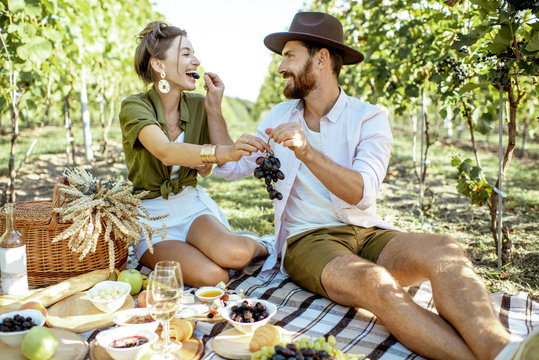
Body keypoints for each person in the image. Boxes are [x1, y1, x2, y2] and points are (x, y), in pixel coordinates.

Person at [213, 12, 538, 360]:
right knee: (375, 283)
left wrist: (306, 151)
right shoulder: (279, 115)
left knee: (446, 248)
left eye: (289, 55)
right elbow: (230, 170)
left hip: (365, 231)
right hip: (307, 239)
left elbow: (362, 192)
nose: (281, 67)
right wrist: (215, 109)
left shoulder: (368, 118)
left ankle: (501, 349)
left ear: (321, 58)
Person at [119, 21, 271, 288]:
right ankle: (198, 248)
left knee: (235, 254)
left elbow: (206, 168)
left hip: (190, 206)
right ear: (159, 65)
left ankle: (265, 245)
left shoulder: (198, 105)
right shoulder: (135, 106)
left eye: (194, 54)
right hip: (151, 217)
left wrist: (213, 108)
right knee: (215, 277)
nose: (196, 61)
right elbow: (166, 152)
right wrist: (225, 152)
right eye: (186, 53)